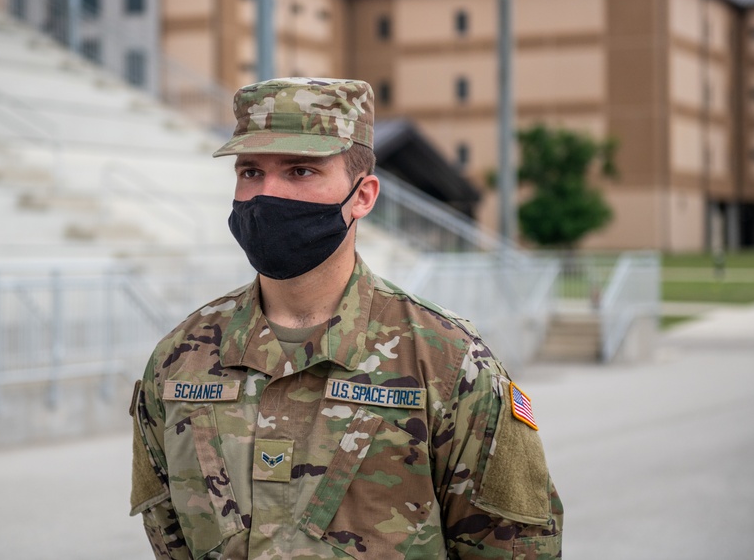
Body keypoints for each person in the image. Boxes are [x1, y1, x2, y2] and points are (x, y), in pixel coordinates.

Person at [129, 77, 563, 559]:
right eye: (250, 172)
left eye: (300, 171)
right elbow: (169, 538)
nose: (266, 195)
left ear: (363, 196)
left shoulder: (448, 360)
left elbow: (513, 548)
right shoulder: (180, 359)